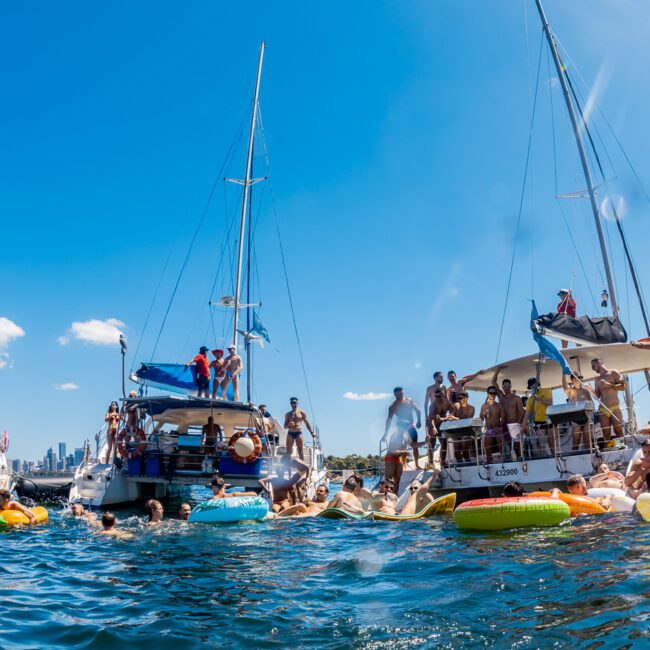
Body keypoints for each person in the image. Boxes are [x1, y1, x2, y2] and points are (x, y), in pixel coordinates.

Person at [384, 387, 424, 488]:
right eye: (399, 394)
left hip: (410, 424)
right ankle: (404, 464)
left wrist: (419, 421)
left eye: (402, 393)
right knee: (402, 445)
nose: (401, 395)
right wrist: (385, 433)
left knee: (414, 443)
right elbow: (389, 420)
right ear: (395, 394)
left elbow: (418, 410)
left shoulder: (409, 400)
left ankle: (416, 464)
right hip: (400, 425)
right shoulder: (393, 406)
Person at [590, 357, 625, 444]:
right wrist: (591, 390)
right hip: (603, 409)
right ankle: (609, 454)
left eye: (593, 366)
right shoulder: (597, 379)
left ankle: (621, 450)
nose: (592, 369)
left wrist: (608, 385)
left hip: (615, 408)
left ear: (599, 363)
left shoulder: (614, 373)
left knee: (619, 432)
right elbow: (597, 397)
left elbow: (623, 387)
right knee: (606, 435)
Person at [492, 368, 525, 460]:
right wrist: (498, 370)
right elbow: (493, 382)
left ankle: (520, 458)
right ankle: (506, 459)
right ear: (502, 387)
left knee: (517, 445)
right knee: (506, 445)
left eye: (508, 386)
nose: (506, 388)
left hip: (514, 424)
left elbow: (521, 412)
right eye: (504, 386)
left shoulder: (516, 398)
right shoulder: (501, 396)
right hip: (504, 425)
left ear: (511, 387)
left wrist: (518, 425)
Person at [561, 373, 594, 451]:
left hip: (586, 418)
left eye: (581, 377)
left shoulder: (586, 391)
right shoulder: (571, 390)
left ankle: (590, 461)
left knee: (588, 444)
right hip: (576, 419)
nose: (580, 378)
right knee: (575, 444)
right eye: (578, 377)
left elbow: (592, 404)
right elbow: (565, 387)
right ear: (573, 379)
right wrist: (564, 374)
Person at [522, 377, 554, 456]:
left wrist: (539, 399)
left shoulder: (546, 391)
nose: (533, 387)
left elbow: (550, 403)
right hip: (539, 421)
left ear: (537, 385)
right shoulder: (530, 399)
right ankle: (544, 457)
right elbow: (527, 414)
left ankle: (554, 455)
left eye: (534, 385)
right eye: (531, 386)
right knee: (541, 441)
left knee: (551, 440)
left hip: (549, 419)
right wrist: (522, 428)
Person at [428, 387, 452, 467]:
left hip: (442, 426)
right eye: (437, 396)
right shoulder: (433, 405)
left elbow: (452, 411)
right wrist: (433, 427)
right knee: (432, 444)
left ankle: (443, 462)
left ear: (443, 394)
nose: (438, 398)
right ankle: (430, 463)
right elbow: (431, 418)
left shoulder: (447, 403)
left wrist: (449, 417)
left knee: (444, 443)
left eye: (440, 396)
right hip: (432, 425)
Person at [480, 386, 505, 464]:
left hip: (497, 429)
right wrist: (483, 413)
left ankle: (504, 463)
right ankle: (489, 465)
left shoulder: (499, 406)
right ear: (488, 394)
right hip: (488, 430)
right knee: (487, 450)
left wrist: (498, 427)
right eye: (491, 393)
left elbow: (503, 420)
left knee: (502, 449)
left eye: (494, 393)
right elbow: (480, 420)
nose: (492, 394)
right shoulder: (484, 406)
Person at [452, 391, 475, 462]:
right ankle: (460, 465)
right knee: (456, 451)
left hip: (466, 431)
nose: (460, 399)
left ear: (467, 398)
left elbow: (467, 420)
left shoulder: (471, 408)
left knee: (465, 451)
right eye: (459, 398)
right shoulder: (456, 406)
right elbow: (451, 416)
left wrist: (456, 418)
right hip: (457, 431)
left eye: (462, 397)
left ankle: (468, 464)